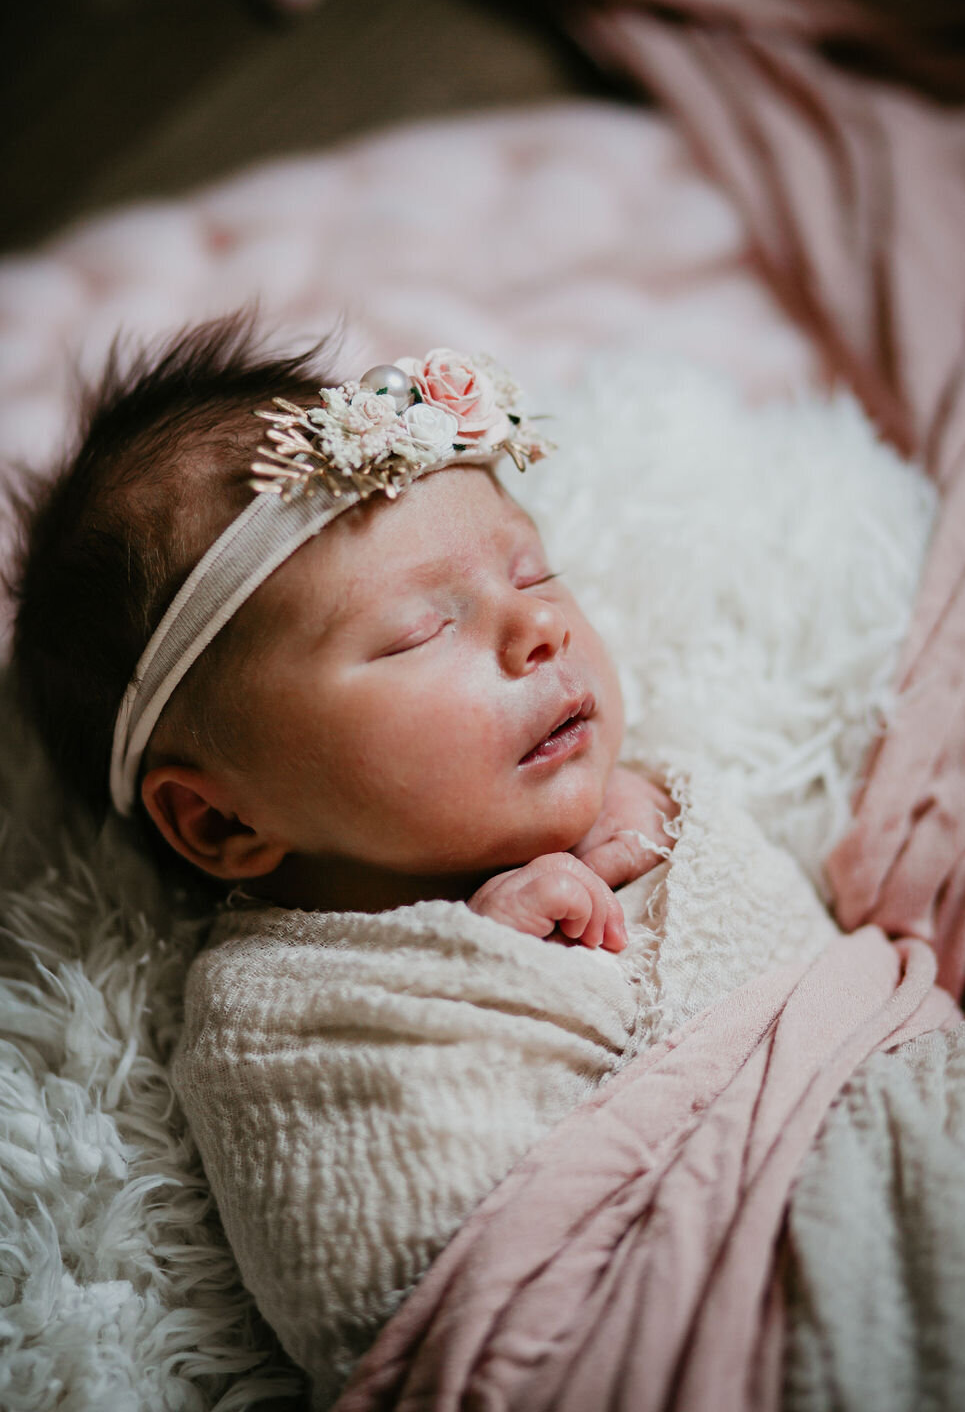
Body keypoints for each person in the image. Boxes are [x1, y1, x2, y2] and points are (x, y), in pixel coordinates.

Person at [9, 315, 835, 1406]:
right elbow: (388, 1280)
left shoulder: (654, 798)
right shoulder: (276, 1017)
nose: (536, 630)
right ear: (219, 826)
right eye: (414, 633)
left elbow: (815, 977)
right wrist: (495, 965)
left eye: (533, 573)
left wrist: (677, 837)